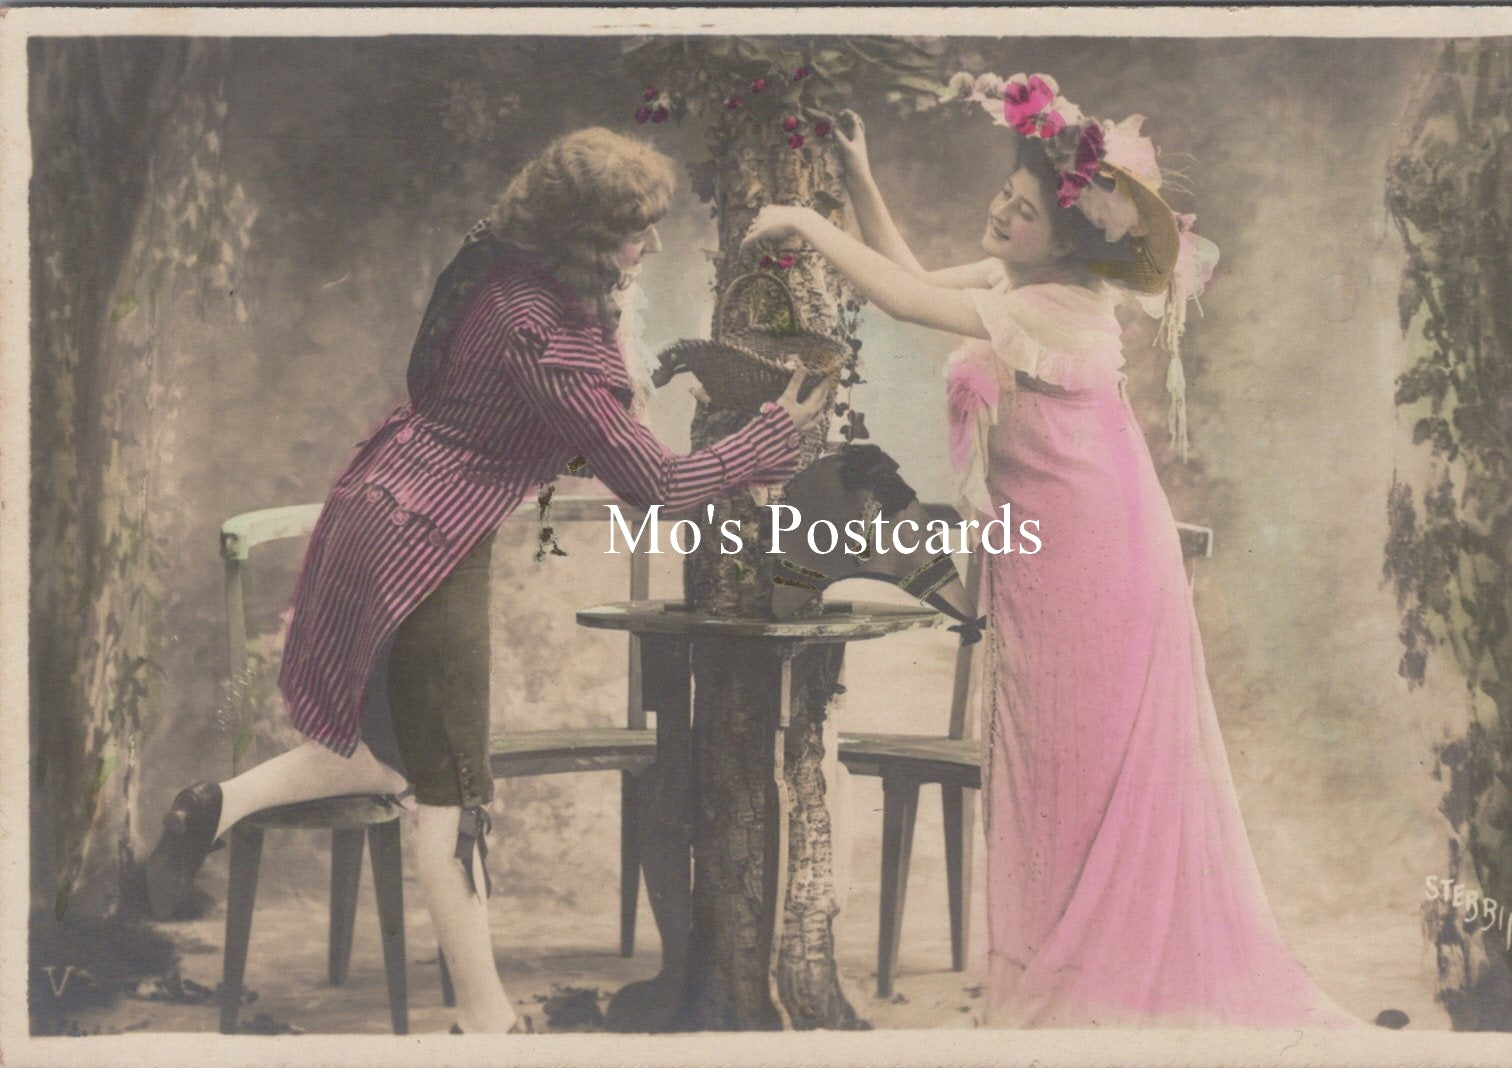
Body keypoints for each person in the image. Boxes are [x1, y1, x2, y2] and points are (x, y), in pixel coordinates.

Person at [145, 126, 827, 1034]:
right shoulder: (547, 337)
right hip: (426, 543)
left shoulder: (502, 274)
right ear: (589, 240)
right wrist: (768, 438)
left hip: (373, 505)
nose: (653, 244)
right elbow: (657, 486)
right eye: (636, 232)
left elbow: (565, 413)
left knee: (390, 754)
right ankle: (487, 1022)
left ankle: (217, 806)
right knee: (453, 795)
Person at [740, 78, 1355, 1028]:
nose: (1001, 213)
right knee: (1046, 760)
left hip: (1096, 558)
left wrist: (801, 220)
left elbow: (902, 300)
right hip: (1060, 551)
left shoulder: (1052, 308)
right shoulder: (1017, 284)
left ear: (1066, 246)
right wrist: (858, 174)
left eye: (1023, 212)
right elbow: (912, 272)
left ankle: (1088, 985)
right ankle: (1063, 974)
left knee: (1075, 763)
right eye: (1006, 195)